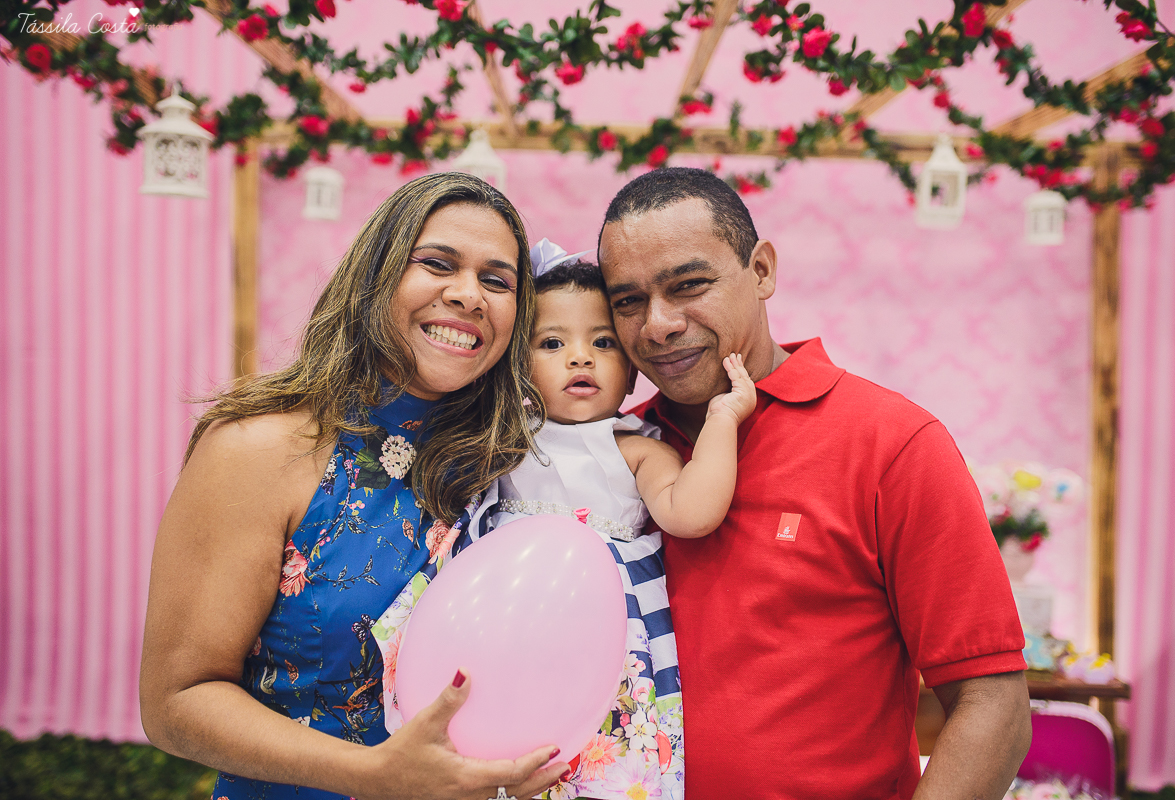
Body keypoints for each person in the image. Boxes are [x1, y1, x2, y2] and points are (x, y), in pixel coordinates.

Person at [595, 167, 1033, 800]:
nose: (657, 325)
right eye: (628, 300)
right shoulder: (620, 453)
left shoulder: (891, 443)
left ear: (763, 270)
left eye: (689, 285)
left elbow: (993, 701)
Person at [139, 173, 572, 800]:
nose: (468, 295)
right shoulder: (257, 450)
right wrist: (376, 776)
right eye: (437, 264)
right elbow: (176, 703)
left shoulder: (512, 464)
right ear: (376, 275)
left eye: (497, 280)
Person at [372, 239, 757, 800]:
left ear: (631, 373)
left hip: (593, 655)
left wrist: (722, 421)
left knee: (587, 766)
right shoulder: (503, 439)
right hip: (495, 636)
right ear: (518, 368)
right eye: (552, 343)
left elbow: (691, 514)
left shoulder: (634, 449)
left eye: (603, 343)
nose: (581, 357)